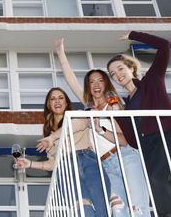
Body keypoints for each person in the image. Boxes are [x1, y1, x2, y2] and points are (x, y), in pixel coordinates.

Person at [54, 38, 150, 217]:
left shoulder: (116, 106)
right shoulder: (88, 107)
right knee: (118, 211)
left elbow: (124, 140)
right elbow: (71, 80)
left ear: (106, 83)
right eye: (92, 82)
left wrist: (102, 131)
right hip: (105, 165)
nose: (96, 84)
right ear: (88, 87)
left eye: (100, 80)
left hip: (125, 157)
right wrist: (61, 54)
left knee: (137, 208)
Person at [107, 31, 171, 217]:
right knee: (170, 187)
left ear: (131, 68)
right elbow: (133, 141)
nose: (117, 75)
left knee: (156, 179)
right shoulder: (127, 105)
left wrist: (134, 35)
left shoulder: (151, 81)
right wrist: (118, 117)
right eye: (113, 74)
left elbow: (164, 45)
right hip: (151, 148)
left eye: (120, 69)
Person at [15, 87, 110, 217]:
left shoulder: (75, 115)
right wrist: (30, 164)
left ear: (66, 103)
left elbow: (80, 124)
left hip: (89, 161)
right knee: (82, 209)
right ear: (49, 104)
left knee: (102, 209)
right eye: (53, 99)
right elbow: (52, 163)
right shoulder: (48, 133)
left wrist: (52, 138)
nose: (57, 101)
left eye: (61, 98)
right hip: (65, 168)